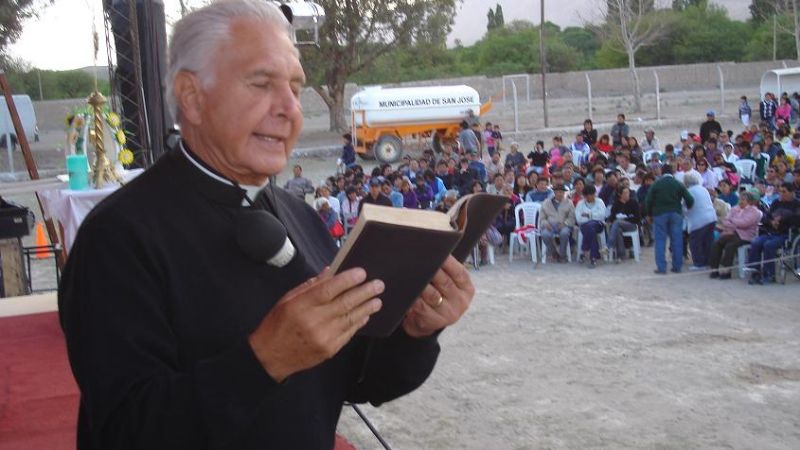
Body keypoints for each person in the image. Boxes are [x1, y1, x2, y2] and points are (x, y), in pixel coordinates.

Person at [58, 3, 476, 448]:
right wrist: (263, 360)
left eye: (295, 88)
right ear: (192, 97)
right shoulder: (117, 237)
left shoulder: (298, 214)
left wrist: (416, 332)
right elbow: (125, 431)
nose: (289, 109)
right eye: (261, 84)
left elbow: (355, 379)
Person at [747, 183, 800, 284]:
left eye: (784, 192)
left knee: (769, 245)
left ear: (792, 193)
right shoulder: (776, 203)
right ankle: (755, 272)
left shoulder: (797, 204)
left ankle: (769, 274)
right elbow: (766, 216)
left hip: (786, 234)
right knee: (756, 243)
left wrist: (782, 220)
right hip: (771, 232)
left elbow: (797, 221)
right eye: (780, 191)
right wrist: (772, 222)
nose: (781, 194)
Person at [646, 165, 694, 274]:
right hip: (676, 213)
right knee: (677, 240)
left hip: (660, 214)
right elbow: (690, 199)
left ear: (662, 172)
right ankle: (677, 266)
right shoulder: (678, 184)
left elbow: (648, 200)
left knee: (660, 240)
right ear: (672, 172)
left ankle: (661, 268)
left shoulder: (656, 184)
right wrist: (687, 208)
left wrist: (649, 214)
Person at [709, 191, 761, 280]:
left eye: (743, 200)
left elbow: (745, 223)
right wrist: (734, 223)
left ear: (749, 201)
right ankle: (714, 269)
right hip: (731, 233)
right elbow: (725, 221)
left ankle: (727, 271)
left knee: (730, 246)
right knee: (716, 243)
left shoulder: (754, 211)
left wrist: (732, 221)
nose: (740, 201)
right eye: (740, 199)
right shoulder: (734, 209)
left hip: (745, 236)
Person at [683, 172, 717, 270]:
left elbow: (685, 207)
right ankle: (708, 261)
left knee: (695, 242)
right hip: (711, 217)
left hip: (698, 220)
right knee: (708, 241)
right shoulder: (703, 189)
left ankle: (699, 263)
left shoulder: (688, 191)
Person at [539, 185, 576, 262]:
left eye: (562, 192)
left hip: (563, 225)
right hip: (550, 225)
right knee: (545, 235)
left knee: (564, 233)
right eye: (558, 192)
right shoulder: (546, 203)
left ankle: (562, 255)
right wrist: (546, 224)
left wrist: (565, 223)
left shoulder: (569, 203)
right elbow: (542, 218)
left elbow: (572, 217)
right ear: (554, 192)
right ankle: (554, 253)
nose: (560, 194)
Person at [575, 185, 606, 268]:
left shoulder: (600, 202)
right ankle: (593, 257)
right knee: (590, 228)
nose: (592, 197)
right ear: (585, 196)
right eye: (589, 195)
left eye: (593, 194)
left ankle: (584, 249)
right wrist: (593, 217)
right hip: (585, 226)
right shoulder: (580, 204)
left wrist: (588, 215)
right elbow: (578, 219)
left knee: (590, 226)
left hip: (598, 225)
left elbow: (602, 215)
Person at [608, 186, 640, 262]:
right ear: (620, 194)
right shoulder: (616, 204)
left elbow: (637, 218)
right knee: (618, 229)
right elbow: (611, 218)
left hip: (631, 225)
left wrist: (625, 219)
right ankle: (621, 255)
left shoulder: (633, 202)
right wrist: (617, 217)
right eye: (625, 193)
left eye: (628, 193)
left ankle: (609, 245)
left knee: (618, 222)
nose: (627, 195)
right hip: (619, 226)